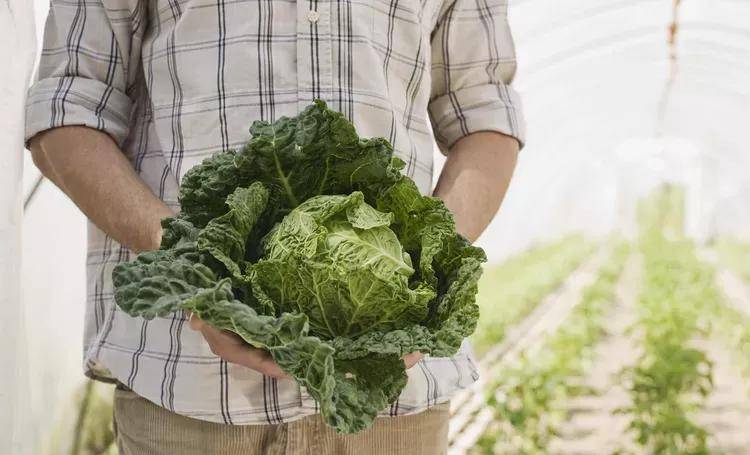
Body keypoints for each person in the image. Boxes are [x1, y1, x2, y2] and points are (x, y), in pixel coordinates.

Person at [25, 1, 524, 453]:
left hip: (392, 403)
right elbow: (66, 111)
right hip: (191, 391)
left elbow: (485, 117)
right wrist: (203, 272)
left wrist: (418, 289)